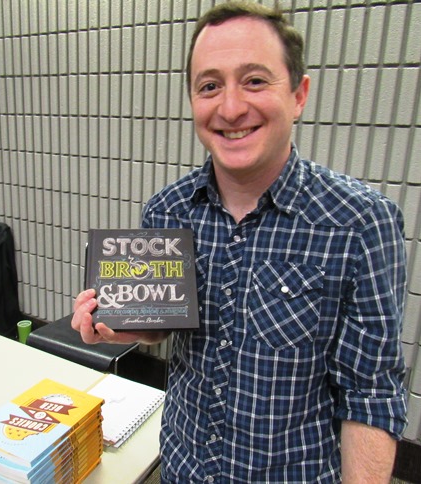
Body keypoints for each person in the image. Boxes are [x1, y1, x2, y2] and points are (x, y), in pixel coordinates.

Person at [72, 2, 407, 482]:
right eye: (209, 86)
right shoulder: (167, 211)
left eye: (254, 80)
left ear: (298, 94)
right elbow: (162, 327)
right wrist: (124, 327)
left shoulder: (360, 224)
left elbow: (371, 395)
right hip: (182, 468)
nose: (230, 108)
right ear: (193, 101)